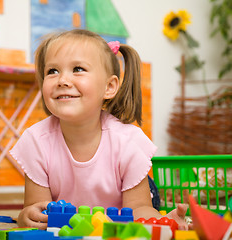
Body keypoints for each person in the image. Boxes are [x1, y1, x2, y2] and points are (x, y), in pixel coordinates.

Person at [10, 29, 191, 230]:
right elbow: (36, 207)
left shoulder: (127, 141)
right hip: (79, 220)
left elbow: (139, 208)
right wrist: (29, 215)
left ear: (109, 87)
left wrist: (163, 222)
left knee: (148, 206)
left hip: (131, 198)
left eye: (77, 69)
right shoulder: (36, 141)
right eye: (52, 71)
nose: (62, 80)